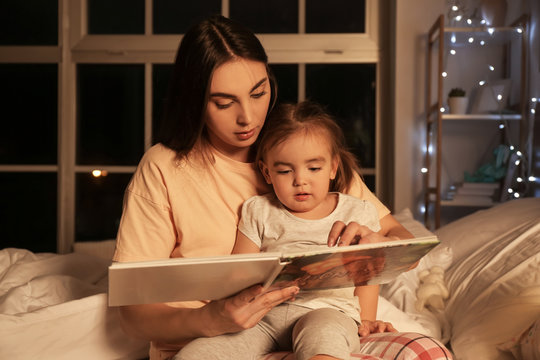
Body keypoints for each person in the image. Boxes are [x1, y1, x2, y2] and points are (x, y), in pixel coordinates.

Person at [113, 14, 452, 360]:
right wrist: (211, 317)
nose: (248, 117)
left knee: (426, 352)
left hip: (320, 329)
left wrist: (379, 246)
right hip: (220, 341)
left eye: (259, 92)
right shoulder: (164, 168)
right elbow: (133, 316)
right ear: (194, 101)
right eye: (224, 102)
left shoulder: (304, 147)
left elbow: (404, 247)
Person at [175, 101, 398, 360]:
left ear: (333, 167)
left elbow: (367, 275)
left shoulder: (357, 212)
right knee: (195, 354)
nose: (300, 180)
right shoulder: (257, 210)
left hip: (327, 312)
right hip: (262, 317)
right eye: (284, 170)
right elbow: (241, 271)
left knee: (324, 341)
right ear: (266, 172)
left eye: (314, 168)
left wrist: (367, 319)